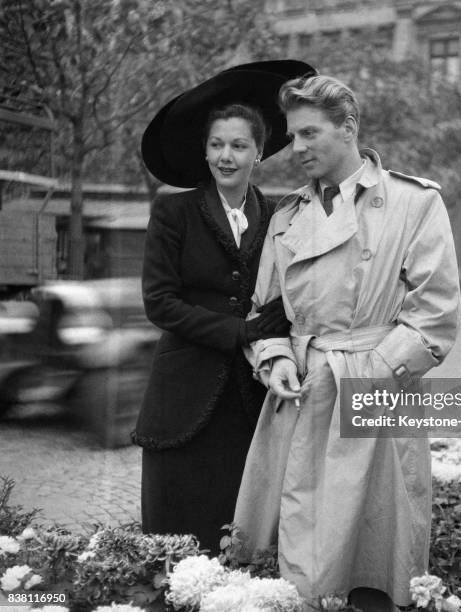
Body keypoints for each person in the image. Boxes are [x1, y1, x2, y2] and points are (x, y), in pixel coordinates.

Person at [234, 75, 461, 610]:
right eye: (292, 137)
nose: (299, 148)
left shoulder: (413, 203)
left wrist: (365, 375)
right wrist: (276, 360)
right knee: (292, 545)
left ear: (349, 128)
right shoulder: (287, 213)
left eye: (310, 133)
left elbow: (434, 317)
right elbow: (265, 312)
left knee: (372, 551)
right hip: (300, 393)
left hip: (376, 392)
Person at [132, 60, 314, 554]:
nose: (225, 156)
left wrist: (273, 330)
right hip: (183, 396)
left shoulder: (280, 216)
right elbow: (161, 304)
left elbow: (287, 295)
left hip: (248, 400)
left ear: (259, 152)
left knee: (237, 533)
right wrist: (241, 330)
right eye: (216, 145)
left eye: (238, 145)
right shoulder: (174, 212)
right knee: (174, 537)